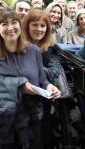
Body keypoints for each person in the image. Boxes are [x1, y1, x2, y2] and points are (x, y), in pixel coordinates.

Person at [0, 8, 60, 149]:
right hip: (5, 119)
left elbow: (42, 80)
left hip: (32, 117)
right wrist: (20, 85)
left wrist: (49, 87)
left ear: (20, 26)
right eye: (4, 24)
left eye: (14, 22)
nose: (10, 28)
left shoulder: (33, 50)